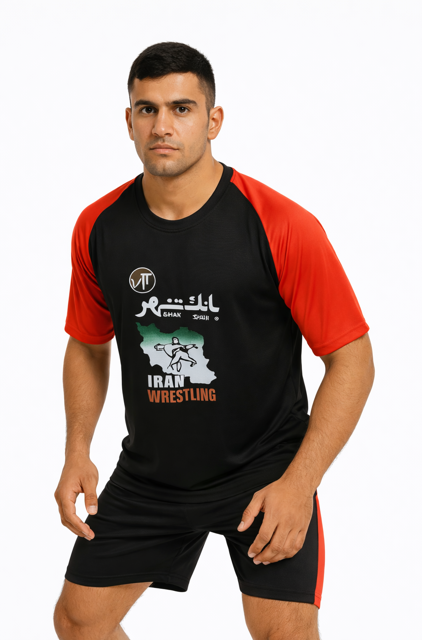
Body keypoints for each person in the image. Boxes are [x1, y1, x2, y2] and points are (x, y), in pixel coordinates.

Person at [53, 41, 374, 640]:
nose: (162, 126)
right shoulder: (99, 226)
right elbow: (88, 344)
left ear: (213, 120)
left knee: (285, 632)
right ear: (128, 121)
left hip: (263, 470)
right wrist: (77, 449)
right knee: (79, 622)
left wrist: (300, 483)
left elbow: (352, 358)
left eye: (181, 108)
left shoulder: (281, 225)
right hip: (152, 473)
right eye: (147, 109)